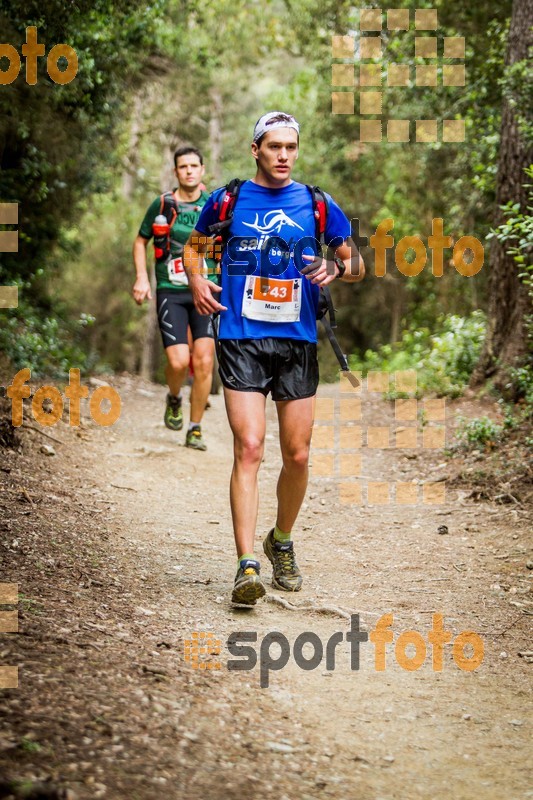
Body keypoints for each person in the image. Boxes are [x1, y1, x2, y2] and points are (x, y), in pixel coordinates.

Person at [183, 111, 365, 603]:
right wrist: (197, 280)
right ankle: (247, 565)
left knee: (298, 454)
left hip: (298, 340)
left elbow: (356, 263)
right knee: (249, 447)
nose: (283, 155)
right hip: (241, 335)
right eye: (274, 146)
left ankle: (280, 538)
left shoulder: (317, 203)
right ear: (256, 149)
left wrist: (335, 265)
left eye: (290, 147)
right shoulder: (229, 199)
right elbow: (194, 249)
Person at [132, 146, 216, 451]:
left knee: (204, 360)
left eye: (195, 165)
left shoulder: (215, 203)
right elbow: (141, 241)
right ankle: (174, 396)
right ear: (176, 172)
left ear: (202, 170)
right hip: (172, 289)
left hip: (207, 290)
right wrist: (142, 277)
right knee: (179, 362)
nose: (190, 171)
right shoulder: (163, 204)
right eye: (184, 167)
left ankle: (195, 429)